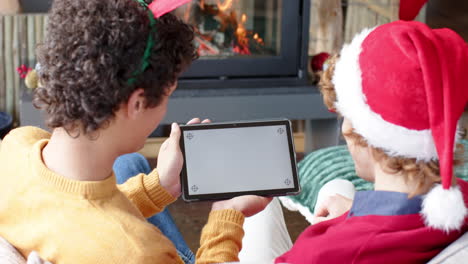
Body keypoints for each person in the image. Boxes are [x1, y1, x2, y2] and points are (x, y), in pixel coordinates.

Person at [0, 0, 271, 263]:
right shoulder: (140, 252)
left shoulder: (16, 144)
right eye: (168, 95)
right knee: (269, 218)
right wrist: (226, 214)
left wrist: (161, 185)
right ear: (138, 103)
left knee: (131, 164)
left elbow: (71, 213)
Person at [237, 20, 468, 264]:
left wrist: (223, 219)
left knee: (253, 210)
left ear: (353, 130)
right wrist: (352, 213)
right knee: (336, 187)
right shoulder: (459, 202)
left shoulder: (324, 253)